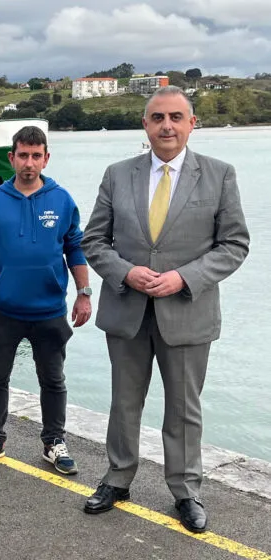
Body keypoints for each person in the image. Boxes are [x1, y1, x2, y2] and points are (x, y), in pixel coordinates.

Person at [81, 86, 249, 533]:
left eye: (176, 117)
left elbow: (234, 245)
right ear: (145, 124)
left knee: (183, 408)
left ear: (192, 123)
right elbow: (93, 241)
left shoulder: (219, 175)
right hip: (127, 310)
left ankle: (185, 491)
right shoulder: (117, 174)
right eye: (158, 117)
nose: (167, 126)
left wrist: (183, 278)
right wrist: (126, 273)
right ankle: (118, 478)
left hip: (188, 311)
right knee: (124, 402)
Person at [0, 125, 91, 474]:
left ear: (46, 158)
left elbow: (75, 248)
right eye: (23, 155)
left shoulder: (62, 199)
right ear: (12, 157)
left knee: (52, 379)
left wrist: (83, 294)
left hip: (49, 310)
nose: (29, 163)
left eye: (37, 156)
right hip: (4, 309)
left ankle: (54, 442)